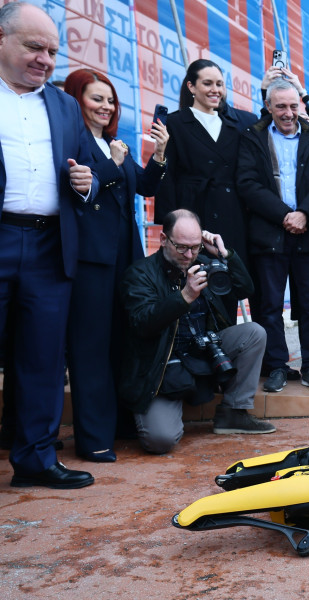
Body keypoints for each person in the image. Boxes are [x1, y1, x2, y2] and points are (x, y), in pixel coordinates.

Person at [0, 2, 97, 489]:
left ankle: (36, 460)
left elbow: (89, 177)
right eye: (34, 47)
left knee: (42, 359)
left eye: (52, 52)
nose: (45, 60)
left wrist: (85, 183)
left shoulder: (62, 105)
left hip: (48, 247)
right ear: (1, 40)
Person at [61, 68, 169, 462]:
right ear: (76, 99)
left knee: (122, 342)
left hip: (125, 256)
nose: (105, 106)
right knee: (90, 348)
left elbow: (145, 186)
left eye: (110, 100)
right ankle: (93, 439)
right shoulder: (71, 141)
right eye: (96, 98)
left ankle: (122, 425)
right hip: (90, 259)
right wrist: (113, 162)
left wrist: (158, 155)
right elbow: (78, 190)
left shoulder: (112, 143)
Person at [118, 210, 275, 454]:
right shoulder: (140, 274)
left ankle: (233, 412)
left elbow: (245, 289)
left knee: (254, 333)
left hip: (203, 351)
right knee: (160, 441)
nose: (189, 255)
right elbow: (142, 323)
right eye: (181, 248)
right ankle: (164, 409)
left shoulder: (204, 262)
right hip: (162, 366)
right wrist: (185, 296)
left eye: (195, 247)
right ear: (162, 239)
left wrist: (225, 255)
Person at [236, 79, 309, 394]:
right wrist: (284, 215)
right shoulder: (252, 137)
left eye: (293, 106)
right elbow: (247, 183)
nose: (288, 113)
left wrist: (305, 213)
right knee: (270, 305)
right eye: (280, 106)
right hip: (268, 233)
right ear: (268, 107)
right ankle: (276, 366)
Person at [154, 59, 258, 284]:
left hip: (232, 215)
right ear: (191, 86)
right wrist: (170, 223)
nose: (216, 90)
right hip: (192, 215)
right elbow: (167, 177)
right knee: (189, 286)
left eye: (220, 84)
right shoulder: (174, 123)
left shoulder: (238, 124)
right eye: (208, 83)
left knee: (227, 287)